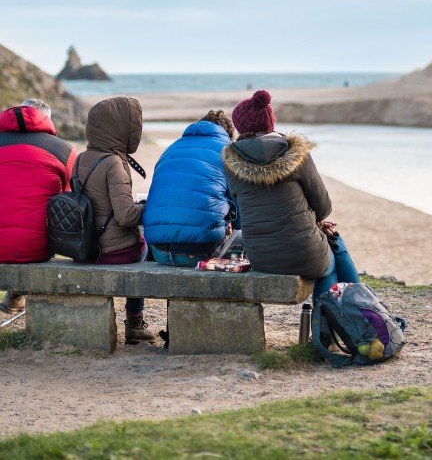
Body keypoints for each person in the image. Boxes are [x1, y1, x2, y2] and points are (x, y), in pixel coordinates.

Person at [222, 90, 359, 299]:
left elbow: (243, 210)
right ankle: (329, 323)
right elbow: (323, 207)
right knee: (329, 261)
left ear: (240, 126)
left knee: (326, 243)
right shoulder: (294, 152)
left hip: (261, 257)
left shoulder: (231, 163)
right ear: (271, 122)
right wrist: (318, 222)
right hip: (304, 253)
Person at [76, 96, 154, 345]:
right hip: (114, 251)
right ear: (121, 129)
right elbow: (125, 216)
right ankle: (134, 323)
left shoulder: (80, 158)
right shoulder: (113, 163)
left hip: (85, 249)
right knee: (147, 248)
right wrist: (145, 207)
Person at [0, 99, 76, 315]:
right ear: (46, 120)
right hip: (37, 249)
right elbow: (69, 195)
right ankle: (16, 296)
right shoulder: (64, 150)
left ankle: (15, 297)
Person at [143, 110, 240, 266]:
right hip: (197, 252)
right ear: (228, 135)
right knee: (239, 238)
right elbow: (238, 208)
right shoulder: (228, 151)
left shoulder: (171, 149)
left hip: (158, 252)